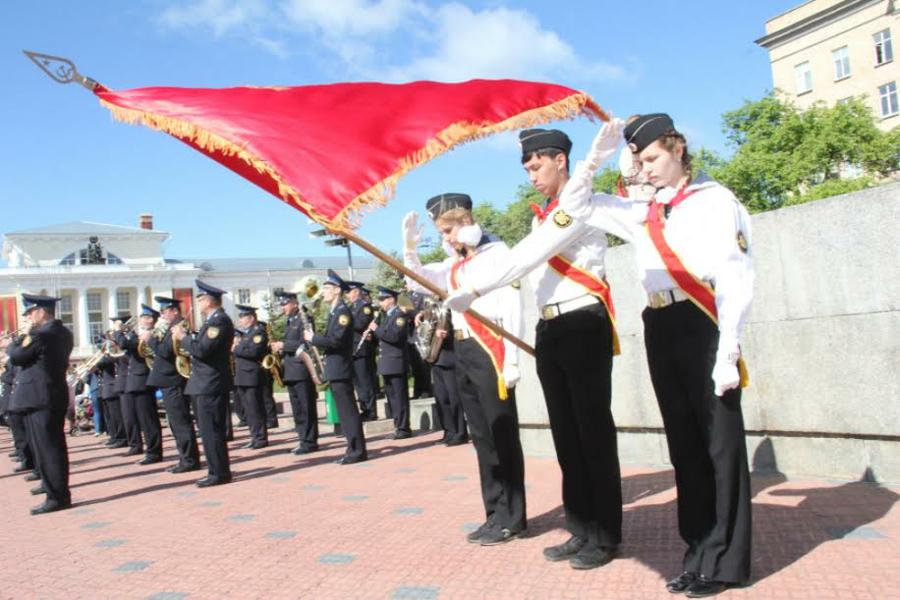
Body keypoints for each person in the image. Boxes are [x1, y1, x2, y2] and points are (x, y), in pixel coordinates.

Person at [451, 114, 755, 595]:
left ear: (678, 149)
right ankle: (698, 551)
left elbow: (737, 273)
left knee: (718, 444)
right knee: (685, 448)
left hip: (702, 323)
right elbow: (579, 205)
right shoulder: (642, 209)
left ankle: (726, 561)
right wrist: (592, 164)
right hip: (659, 322)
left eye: (651, 157)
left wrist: (730, 346)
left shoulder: (713, 200)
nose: (644, 167)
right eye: (637, 159)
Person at [402, 192, 526, 545]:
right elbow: (420, 281)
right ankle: (493, 512)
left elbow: (512, 305)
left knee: (501, 433)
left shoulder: (496, 253)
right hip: (464, 348)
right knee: (482, 437)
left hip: (491, 348)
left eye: (449, 230)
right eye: (441, 232)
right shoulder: (456, 262)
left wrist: (513, 358)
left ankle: (513, 517)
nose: (446, 238)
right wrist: (410, 251)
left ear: (467, 222)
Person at [7, 293, 74, 514]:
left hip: (40, 396)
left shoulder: (42, 335)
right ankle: (51, 487)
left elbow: (17, 356)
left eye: (30, 312)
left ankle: (57, 496)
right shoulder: (62, 332)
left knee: (48, 448)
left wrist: (18, 339)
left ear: (41, 311)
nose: (28, 317)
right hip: (48, 395)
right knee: (48, 446)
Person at [172, 280, 235, 487]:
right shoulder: (211, 321)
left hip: (211, 382)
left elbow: (202, 350)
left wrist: (183, 338)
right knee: (207, 429)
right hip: (203, 382)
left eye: (199, 299)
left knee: (211, 430)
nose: (197, 303)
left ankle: (219, 473)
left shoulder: (219, 321)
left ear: (208, 300)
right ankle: (216, 470)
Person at [306, 269, 367, 464]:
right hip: (335, 368)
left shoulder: (342, 312)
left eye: (326, 288)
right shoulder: (335, 312)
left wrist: (313, 338)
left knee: (348, 411)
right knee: (344, 411)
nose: (323, 292)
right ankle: (352, 448)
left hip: (341, 368)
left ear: (337, 291)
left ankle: (357, 451)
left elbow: (336, 340)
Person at [147, 296, 201, 473]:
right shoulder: (170, 328)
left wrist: (151, 339)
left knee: (180, 421)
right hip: (167, 380)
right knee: (175, 422)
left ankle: (189, 460)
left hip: (173, 380)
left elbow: (164, 352)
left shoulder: (179, 328)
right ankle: (185, 457)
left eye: (165, 312)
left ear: (175, 311)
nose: (162, 315)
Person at [271, 291, 319, 455]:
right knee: (297, 408)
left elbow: (306, 342)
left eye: (285, 304)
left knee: (306, 407)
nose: (282, 308)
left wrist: (284, 345)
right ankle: (302, 439)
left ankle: (310, 440)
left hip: (301, 368)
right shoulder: (290, 320)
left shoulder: (304, 318)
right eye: (282, 305)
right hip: (291, 370)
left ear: (294, 303)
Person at [416, 302, 467, 446]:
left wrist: (447, 333)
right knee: (441, 398)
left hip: (449, 357)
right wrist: (419, 318)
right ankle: (449, 431)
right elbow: (427, 328)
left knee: (454, 397)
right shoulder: (431, 308)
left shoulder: (449, 307)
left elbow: (457, 328)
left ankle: (460, 432)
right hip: (435, 359)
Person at [120, 305, 164, 465]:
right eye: (143, 317)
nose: (144, 320)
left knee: (148, 418)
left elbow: (127, 345)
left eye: (148, 318)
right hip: (136, 379)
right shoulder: (141, 334)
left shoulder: (151, 335)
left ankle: (154, 451)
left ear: (153, 320)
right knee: (142, 418)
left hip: (143, 379)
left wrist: (121, 331)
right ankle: (151, 450)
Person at [369, 287, 411, 439]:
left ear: (391, 299)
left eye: (383, 299)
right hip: (387, 363)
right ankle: (397, 425)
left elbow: (394, 337)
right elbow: (383, 337)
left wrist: (376, 329)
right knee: (391, 397)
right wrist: (372, 336)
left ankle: (404, 428)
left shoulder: (399, 315)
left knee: (399, 397)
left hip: (396, 362)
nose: (380, 302)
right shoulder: (386, 316)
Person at [231, 304, 269, 449]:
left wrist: (237, 348)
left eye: (243, 317)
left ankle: (260, 438)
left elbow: (254, 352)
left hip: (252, 375)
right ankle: (254, 436)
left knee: (255, 408)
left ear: (252, 318)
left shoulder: (258, 332)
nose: (240, 320)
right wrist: (240, 347)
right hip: (242, 376)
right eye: (240, 317)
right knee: (248, 409)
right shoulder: (247, 334)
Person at [345, 281, 377, 421]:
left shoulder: (365, 307)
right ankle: (364, 408)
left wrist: (345, 321)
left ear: (356, 292)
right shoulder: (351, 307)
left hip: (362, 348)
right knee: (357, 383)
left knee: (365, 381)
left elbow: (360, 324)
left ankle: (370, 411)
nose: (347, 296)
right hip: (353, 349)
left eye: (349, 292)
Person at [111, 316, 142, 457]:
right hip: (123, 382)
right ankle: (133, 443)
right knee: (127, 416)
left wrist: (119, 334)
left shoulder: (130, 337)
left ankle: (136, 444)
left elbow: (125, 348)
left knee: (131, 417)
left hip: (130, 380)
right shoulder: (120, 339)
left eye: (117, 324)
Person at [95, 337, 127, 449]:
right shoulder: (107, 356)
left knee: (116, 416)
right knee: (110, 417)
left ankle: (121, 437)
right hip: (106, 390)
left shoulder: (112, 357)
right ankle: (114, 436)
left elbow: (103, 363)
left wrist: (104, 353)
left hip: (112, 388)